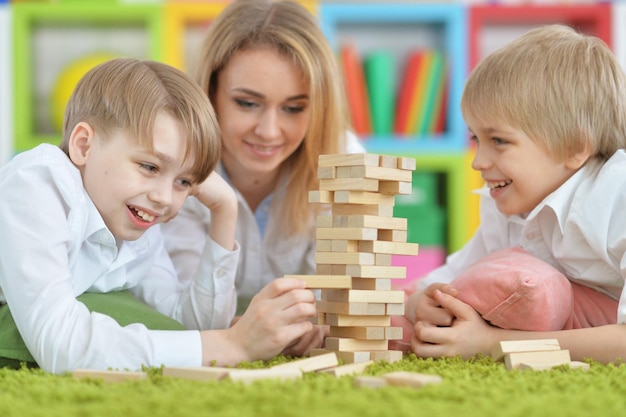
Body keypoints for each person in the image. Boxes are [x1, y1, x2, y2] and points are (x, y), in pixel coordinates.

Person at [0, 57, 318, 374]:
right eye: (149, 167)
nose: (165, 198)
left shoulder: (138, 222)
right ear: (84, 145)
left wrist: (225, 210)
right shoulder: (38, 184)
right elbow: (59, 343)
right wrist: (233, 345)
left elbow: (189, 325)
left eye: (184, 182)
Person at [402, 25, 626, 364]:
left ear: (575, 148)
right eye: (476, 139)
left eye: (499, 141)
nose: (477, 162)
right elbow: (451, 278)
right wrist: (421, 302)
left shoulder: (616, 198)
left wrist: (495, 342)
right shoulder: (507, 201)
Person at [161, 0, 364, 339]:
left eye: (294, 108)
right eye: (248, 103)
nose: (269, 131)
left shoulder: (344, 162)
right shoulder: (172, 164)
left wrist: (312, 325)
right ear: (210, 92)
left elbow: (342, 304)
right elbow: (184, 312)